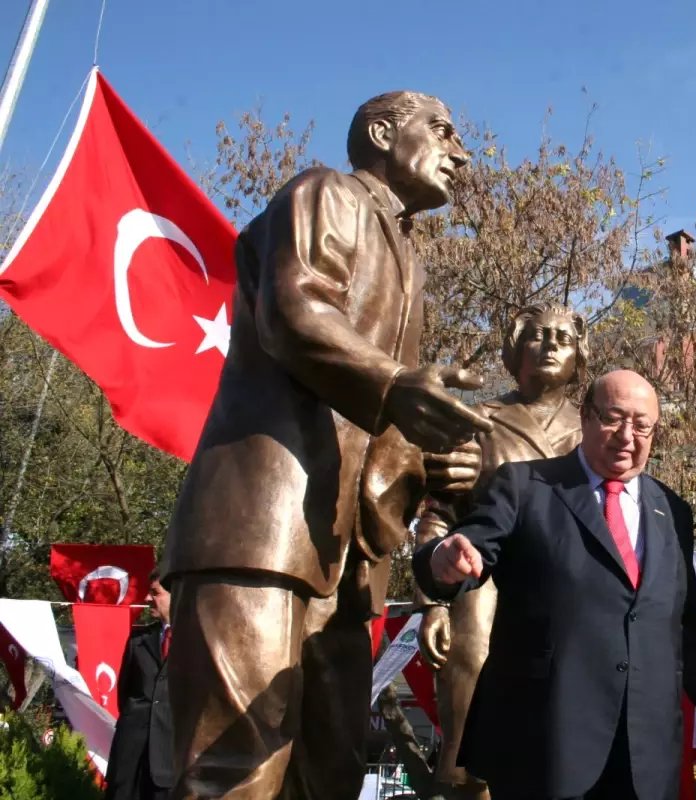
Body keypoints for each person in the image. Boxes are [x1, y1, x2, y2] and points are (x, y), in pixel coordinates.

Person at [159, 89, 492, 799]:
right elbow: (294, 310)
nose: (461, 152)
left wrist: (435, 456)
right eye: (442, 130)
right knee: (236, 769)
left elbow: (372, 407)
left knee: (330, 770)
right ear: (380, 132)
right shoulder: (327, 194)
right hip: (263, 531)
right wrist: (402, 387)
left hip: (343, 559)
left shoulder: (407, 254)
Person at [413, 369, 696, 800]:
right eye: (614, 418)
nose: (627, 435)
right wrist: (444, 562)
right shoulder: (526, 486)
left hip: (644, 759)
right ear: (587, 416)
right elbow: (471, 550)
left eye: (642, 425)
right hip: (543, 746)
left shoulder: (672, 511)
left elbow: (684, 628)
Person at [414, 303, 590, 799]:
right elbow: (439, 517)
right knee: (473, 644)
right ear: (514, 352)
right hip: (489, 576)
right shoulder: (477, 423)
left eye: (564, 338)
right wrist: (431, 603)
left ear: (580, 357)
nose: (552, 344)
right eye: (538, 336)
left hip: (570, 586)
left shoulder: (594, 432)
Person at [105, 570, 172, 800]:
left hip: (169, 764)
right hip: (129, 760)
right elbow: (124, 695)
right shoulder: (138, 641)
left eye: (155, 593)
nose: (146, 598)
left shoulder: (197, 642)